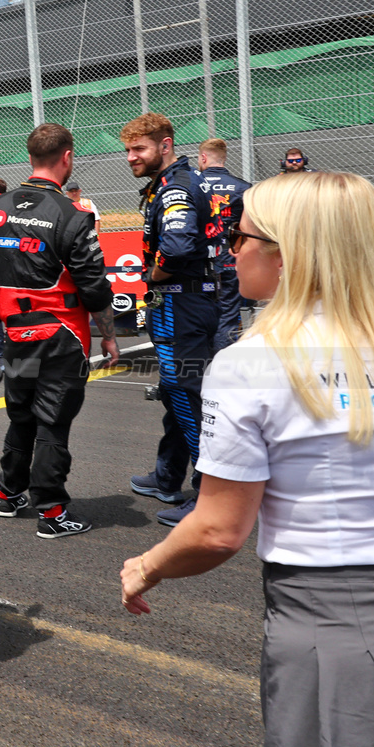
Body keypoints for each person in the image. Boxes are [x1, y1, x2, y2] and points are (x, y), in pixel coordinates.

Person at [121, 171, 374, 747]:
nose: (227, 247)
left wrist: (147, 565)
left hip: (335, 620)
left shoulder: (253, 362)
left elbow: (219, 530)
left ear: (286, 255)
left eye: (238, 235)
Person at [0, 124, 119, 538]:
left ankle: (8, 492)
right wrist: (109, 336)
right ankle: (52, 511)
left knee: (21, 415)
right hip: (62, 336)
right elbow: (94, 286)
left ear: (31, 156)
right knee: (53, 422)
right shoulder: (72, 216)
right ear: (67, 157)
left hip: (14, 333)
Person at [122, 113, 215, 527]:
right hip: (186, 303)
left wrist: (151, 278)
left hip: (182, 303)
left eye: (138, 149)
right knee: (174, 389)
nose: (130, 157)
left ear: (165, 145)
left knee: (184, 392)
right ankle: (167, 475)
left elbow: (176, 250)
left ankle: (209, 493)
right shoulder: (168, 183)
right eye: (127, 149)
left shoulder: (176, 187)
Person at [196, 138, 252, 353]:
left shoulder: (191, 184)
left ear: (203, 157)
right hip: (229, 257)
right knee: (228, 314)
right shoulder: (243, 187)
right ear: (224, 158)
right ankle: (222, 367)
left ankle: (199, 367)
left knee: (198, 313)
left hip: (199, 260)